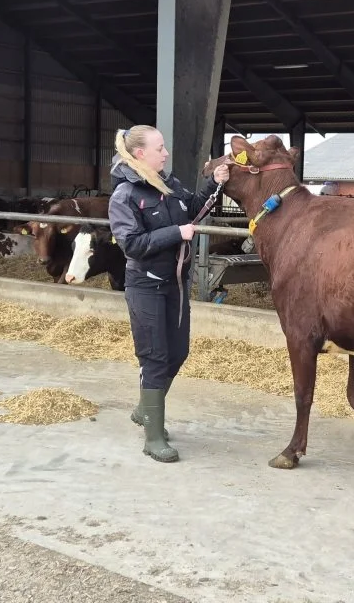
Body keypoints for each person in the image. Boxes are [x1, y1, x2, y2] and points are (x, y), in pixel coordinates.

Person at [107, 125, 230, 463]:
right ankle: (154, 436)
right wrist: (176, 233)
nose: (165, 153)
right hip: (145, 284)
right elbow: (132, 244)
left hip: (175, 283)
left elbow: (191, 206)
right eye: (160, 148)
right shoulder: (124, 196)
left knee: (178, 352)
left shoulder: (167, 184)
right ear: (140, 154)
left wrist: (215, 181)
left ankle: (144, 408)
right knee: (155, 357)